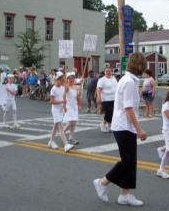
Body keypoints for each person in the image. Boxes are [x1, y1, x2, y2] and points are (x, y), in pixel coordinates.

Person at [93, 53, 147, 206]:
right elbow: (128, 107)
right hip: (124, 126)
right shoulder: (129, 81)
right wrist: (139, 128)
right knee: (127, 162)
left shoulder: (127, 79)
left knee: (130, 162)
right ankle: (102, 183)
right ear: (140, 66)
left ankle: (125, 194)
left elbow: (128, 104)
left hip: (122, 124)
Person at [48, 71, 74, 152]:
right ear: (56, 80)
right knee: (61, 127)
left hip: (60, 110)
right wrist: (62, 102)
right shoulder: (53, 89)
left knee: (55, 126)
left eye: (63, 81)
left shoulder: (62, 88)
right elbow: (51, 101)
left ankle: (51, 141)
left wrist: (64, 106)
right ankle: (66, 145)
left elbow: (64, 98)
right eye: (61, 80)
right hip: (55, 110)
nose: (62, 82)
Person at [97, 67, 118, 133]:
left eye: (109, 71)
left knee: (111, 112)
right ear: (104, 72)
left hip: (114, 98)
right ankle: (110, 126)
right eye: (107, 71)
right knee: (109, 112)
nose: (108, 72)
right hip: (106, 99)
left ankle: (103, 124)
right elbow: (99, 89)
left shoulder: (114, 79)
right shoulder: (102, 80)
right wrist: (99, 97)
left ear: (111, 72)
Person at [63, 72, 81, 145]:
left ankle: (71, 138)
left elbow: (77, 98)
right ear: (67, 80)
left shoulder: (75, 88)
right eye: (70, 79)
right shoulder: (66, 87)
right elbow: (64, 95)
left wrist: (79, 105)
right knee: (72, 122)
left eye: (73, 79)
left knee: (74, 123)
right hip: (69, 106)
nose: (71, 80)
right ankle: (62, 132)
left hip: (74, 106)